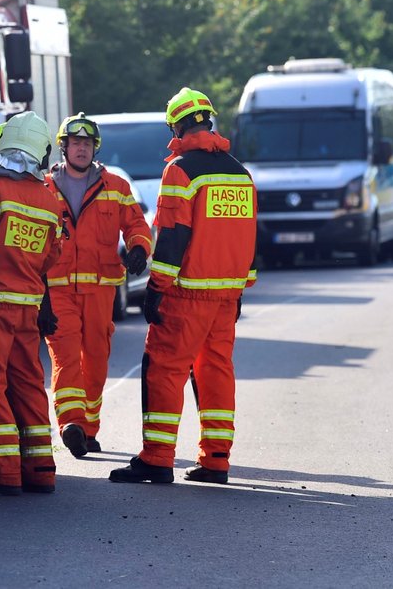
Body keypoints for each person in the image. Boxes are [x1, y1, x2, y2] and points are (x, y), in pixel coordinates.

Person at [109, 88, 257, 485]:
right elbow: (249, 238)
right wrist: (240, 288)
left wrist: (156, 287)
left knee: (163, 369)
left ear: (175, 125)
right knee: (216, 372)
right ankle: (216, 460)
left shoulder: (181, 170)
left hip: (188, 293)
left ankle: (157, 458)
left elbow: (173, 236)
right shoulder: (240, 173)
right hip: (226, 295)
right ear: (208, 120)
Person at [0, 111, 63, 496]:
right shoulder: (48, 199)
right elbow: (52, 256)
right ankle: (40, 468)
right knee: (28, 385)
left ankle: (3, 472)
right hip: (27, 309)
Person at [44, 112, 152, 458]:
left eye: (87, 144)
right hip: (58, 289)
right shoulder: (44, 188)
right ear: (64, 147)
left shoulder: (116, 187)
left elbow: (137, 225)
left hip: (102, 289)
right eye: (75, 143)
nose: (81, 149)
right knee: (64, 355)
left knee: (96, 359)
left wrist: (138, 248)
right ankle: (71, 423)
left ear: (95, 148)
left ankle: (88, 428)